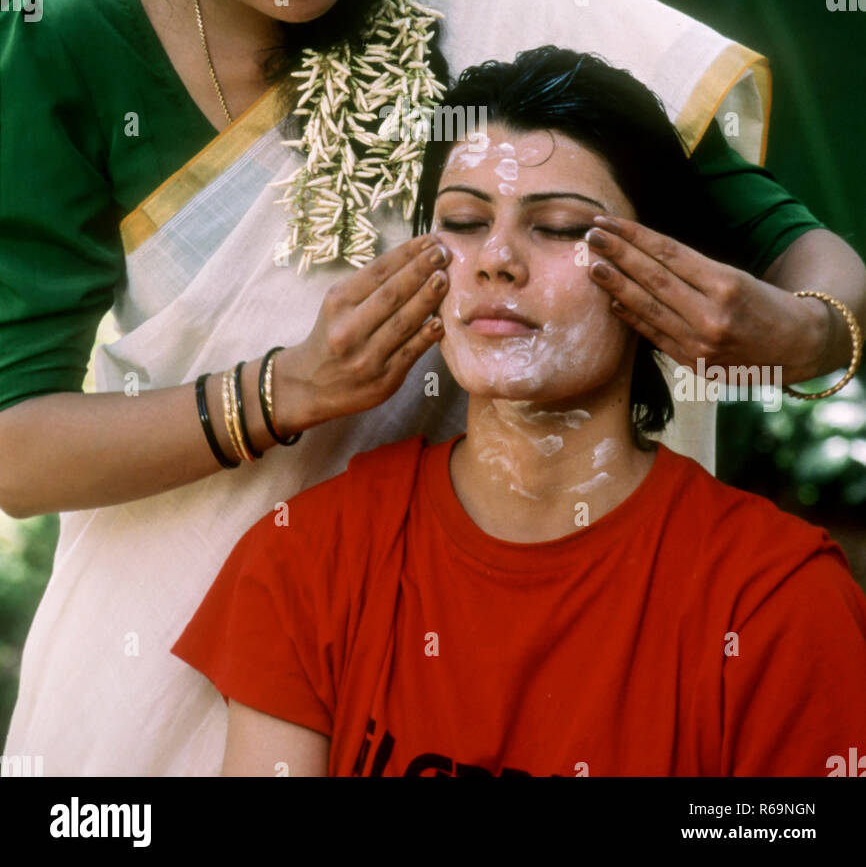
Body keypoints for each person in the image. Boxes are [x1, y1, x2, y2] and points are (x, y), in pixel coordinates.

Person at [0, 0, 863, 778]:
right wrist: (282, 392)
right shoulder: (73, 52)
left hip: (436, 678)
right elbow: (15, 448)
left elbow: (805, 256)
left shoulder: (505, 12)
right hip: (144, 675)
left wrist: (801, 334)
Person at [171, 47, 866, 777]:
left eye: (561, 226)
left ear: (665, 275)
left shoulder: (777, 600)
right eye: (464, 221)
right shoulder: (310, 559)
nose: (495, 258)